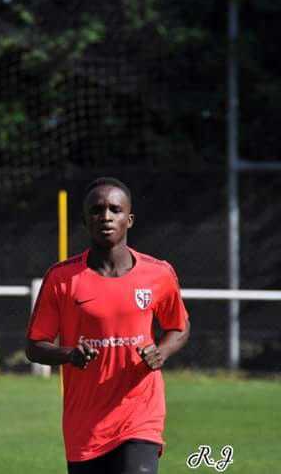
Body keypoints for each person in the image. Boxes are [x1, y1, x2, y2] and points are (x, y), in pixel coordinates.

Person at [26, 177, 190, 474]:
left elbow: (179, 326)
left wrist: (162, 352)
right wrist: (69, 355)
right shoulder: (61, 279)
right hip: (85, 421)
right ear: (85, 220)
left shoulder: (158, 273)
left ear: (129, 219)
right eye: (97, 210)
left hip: (140, 414)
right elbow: (34, 346)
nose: (106, 216)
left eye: (115, 209)